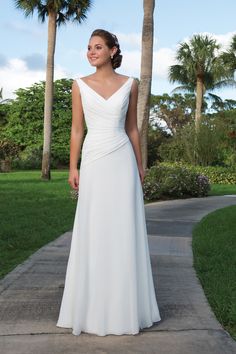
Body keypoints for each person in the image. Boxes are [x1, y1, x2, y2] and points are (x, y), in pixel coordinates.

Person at [56, 28, 161, 336]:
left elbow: (132, 129)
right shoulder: (79, 85)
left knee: (122, 229)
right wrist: (72, 167)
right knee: (94, 228)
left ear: (113, 51)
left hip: (122, 161)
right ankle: (89, 308)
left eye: (98, 47)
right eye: (89, 47)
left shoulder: (131, 84)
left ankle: (124, 308)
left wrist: (140, 165)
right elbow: (77, 130)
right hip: (94, 160)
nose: (91, 52)